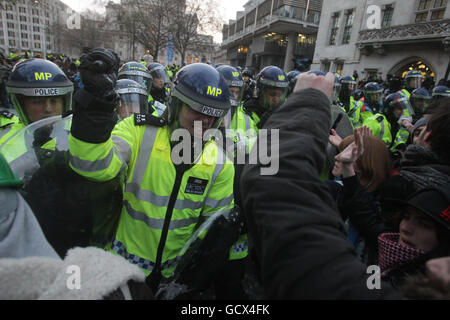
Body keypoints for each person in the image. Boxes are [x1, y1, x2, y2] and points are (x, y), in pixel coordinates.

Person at [68, 49, 239, 295]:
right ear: (176, 103)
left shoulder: (221, 163)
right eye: (197, 111)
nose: (205, 122)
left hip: (173, 279)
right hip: (122, 271)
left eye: (213, 116)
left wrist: (189, 281)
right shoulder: (137, 132)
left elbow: (212, 232)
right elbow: (91, 165)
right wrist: (95, 108)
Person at [240, 71, 400, 299]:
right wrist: (347, 166)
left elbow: (276, 188)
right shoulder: (341, 192)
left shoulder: (376, 225)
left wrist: (304, 110)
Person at [1, 58, 73, 148]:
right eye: (38, 102)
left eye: (54, 101)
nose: (48, 109)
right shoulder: (5, 143)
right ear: (21, 105)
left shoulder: (80, 135)